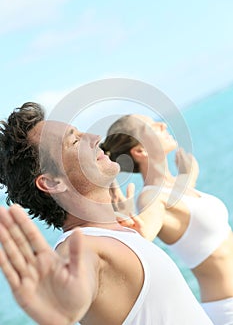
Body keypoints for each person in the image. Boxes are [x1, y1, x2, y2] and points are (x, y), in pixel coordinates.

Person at [0, 102, 213, 325]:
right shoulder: (82, 248)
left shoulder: (114, 232)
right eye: (74, 140)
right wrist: (66, 307)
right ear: (52, 182)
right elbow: (82, 275)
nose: (94, 137)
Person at [101, 114, 233, 325]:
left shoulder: (175, 189)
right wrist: (128, 228)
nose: (163, 125)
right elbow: (145, 230)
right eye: (153, 127)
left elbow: (184, 208)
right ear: (140, 151)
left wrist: (189, 176)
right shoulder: (151, 197)